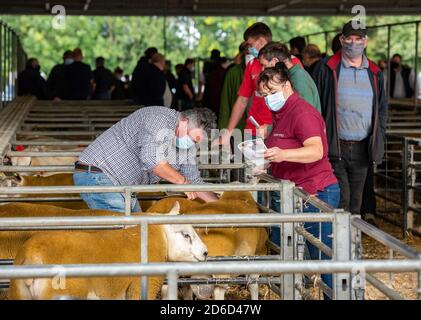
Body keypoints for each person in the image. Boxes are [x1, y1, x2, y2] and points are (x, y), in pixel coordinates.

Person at [257, 65, 339, 296]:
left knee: (324, 257)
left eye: (272, 92)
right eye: (264, 95)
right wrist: (268, 163)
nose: (268, 99)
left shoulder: (302, 113)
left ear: (288, 86)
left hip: (316, 192)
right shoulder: (281, 113)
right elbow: (286, 147)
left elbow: (316, 150)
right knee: (305, 254)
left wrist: (281, 155)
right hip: (296, 193)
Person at [74, 107, 219, 213]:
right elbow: (152, 160)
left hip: (121, 187)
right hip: (99, 174)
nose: (191, 144)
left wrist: (220, 206)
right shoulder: (158, 118)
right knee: (127, 235)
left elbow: (194, 181)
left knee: (139, 233)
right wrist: (183, 182)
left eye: (195, 143)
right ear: (184, 122)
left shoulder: (184, 147)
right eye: (192, 138)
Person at [312, 21, 387, 218]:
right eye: (349, 38)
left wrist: (378, 137)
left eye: (358, 39)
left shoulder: (374, 72)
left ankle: (352, 243)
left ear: (366, 41)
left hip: (363, 146)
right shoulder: (326, 68)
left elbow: (381, 108)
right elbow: (315, 104)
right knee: (342, 197)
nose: (353, 43)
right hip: (336, 144)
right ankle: (337, 244)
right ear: (341, 39)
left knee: (356, 199)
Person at [258, 42, 321, 114]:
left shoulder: (298, 80)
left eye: (264, 65)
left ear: (275, 61)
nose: (263, 69)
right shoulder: (293, 75)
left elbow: (306, 115)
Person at [219, 41, 249, 131]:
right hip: (237, 127)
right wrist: (223, 129)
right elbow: (225, 102)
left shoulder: (266, 70)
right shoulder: (233, 72)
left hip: (261, 128)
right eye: (246, 50)